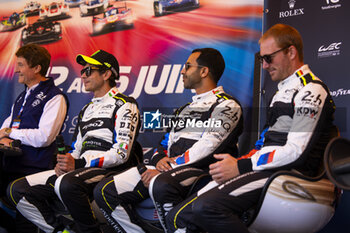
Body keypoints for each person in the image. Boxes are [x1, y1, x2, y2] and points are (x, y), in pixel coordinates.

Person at [158, 24, 336, 233]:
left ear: (291, 52)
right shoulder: (281, 92)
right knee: (177, 217)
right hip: (267, 169)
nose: (265, 65)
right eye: (262, 59)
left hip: (290, 175)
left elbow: (297, 152)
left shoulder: (311, 89)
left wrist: (241, 166)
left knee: (206, 207)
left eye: (269, 58)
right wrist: (240, 162)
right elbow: (265, 143)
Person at [94, 48, 244, 233]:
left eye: (188, 66)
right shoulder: (184, 109)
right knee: (104, 191)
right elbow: (163, 144)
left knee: (162, 184)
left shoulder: (227, 105)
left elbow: (208, 147)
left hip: (202, 173)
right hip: (169, 171)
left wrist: (170, 168)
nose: (182, 71)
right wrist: (159, 161)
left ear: (204, 71)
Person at [8, 49, 140, 233]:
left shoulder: (125, 104)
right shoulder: (86, 109)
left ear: (106, 74)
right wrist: (65, 163)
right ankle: (62, 230)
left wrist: (78, 162)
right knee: (18, 189)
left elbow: (121, 154)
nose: (83, 75)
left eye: (88, 71)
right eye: (82, 71)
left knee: (67, 183)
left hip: (109, 170)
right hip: (80, 168)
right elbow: (77, 148)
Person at [0, 44, 68, 233]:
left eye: (21, 65)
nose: (16, 70)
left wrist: (10, 134)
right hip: (11, 166)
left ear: (37, 68)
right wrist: (5, 135)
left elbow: (43, 138)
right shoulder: (22, 96)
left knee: (25, 226)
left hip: (32, 171)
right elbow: (4, 129)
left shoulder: (55, 97)